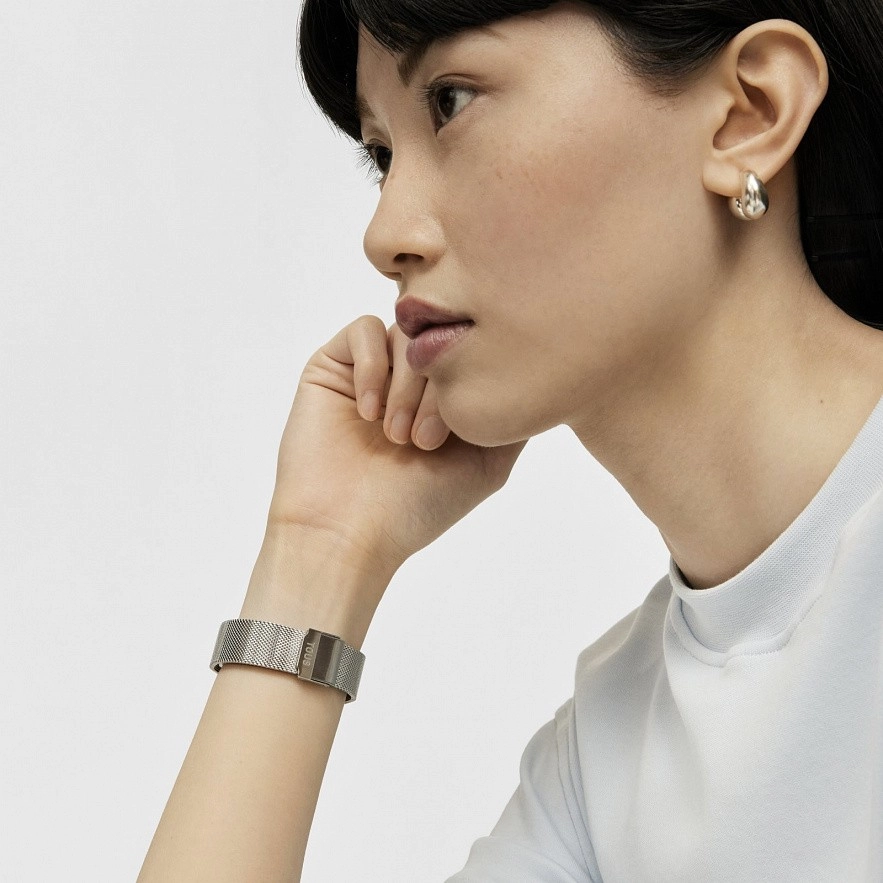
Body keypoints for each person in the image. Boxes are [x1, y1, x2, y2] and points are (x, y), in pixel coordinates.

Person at [138, 0, 883, 879]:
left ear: (749, 113)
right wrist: (317, 556)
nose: (384, 236)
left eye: (450, 101)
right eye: (381, 156)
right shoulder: (608, 761)